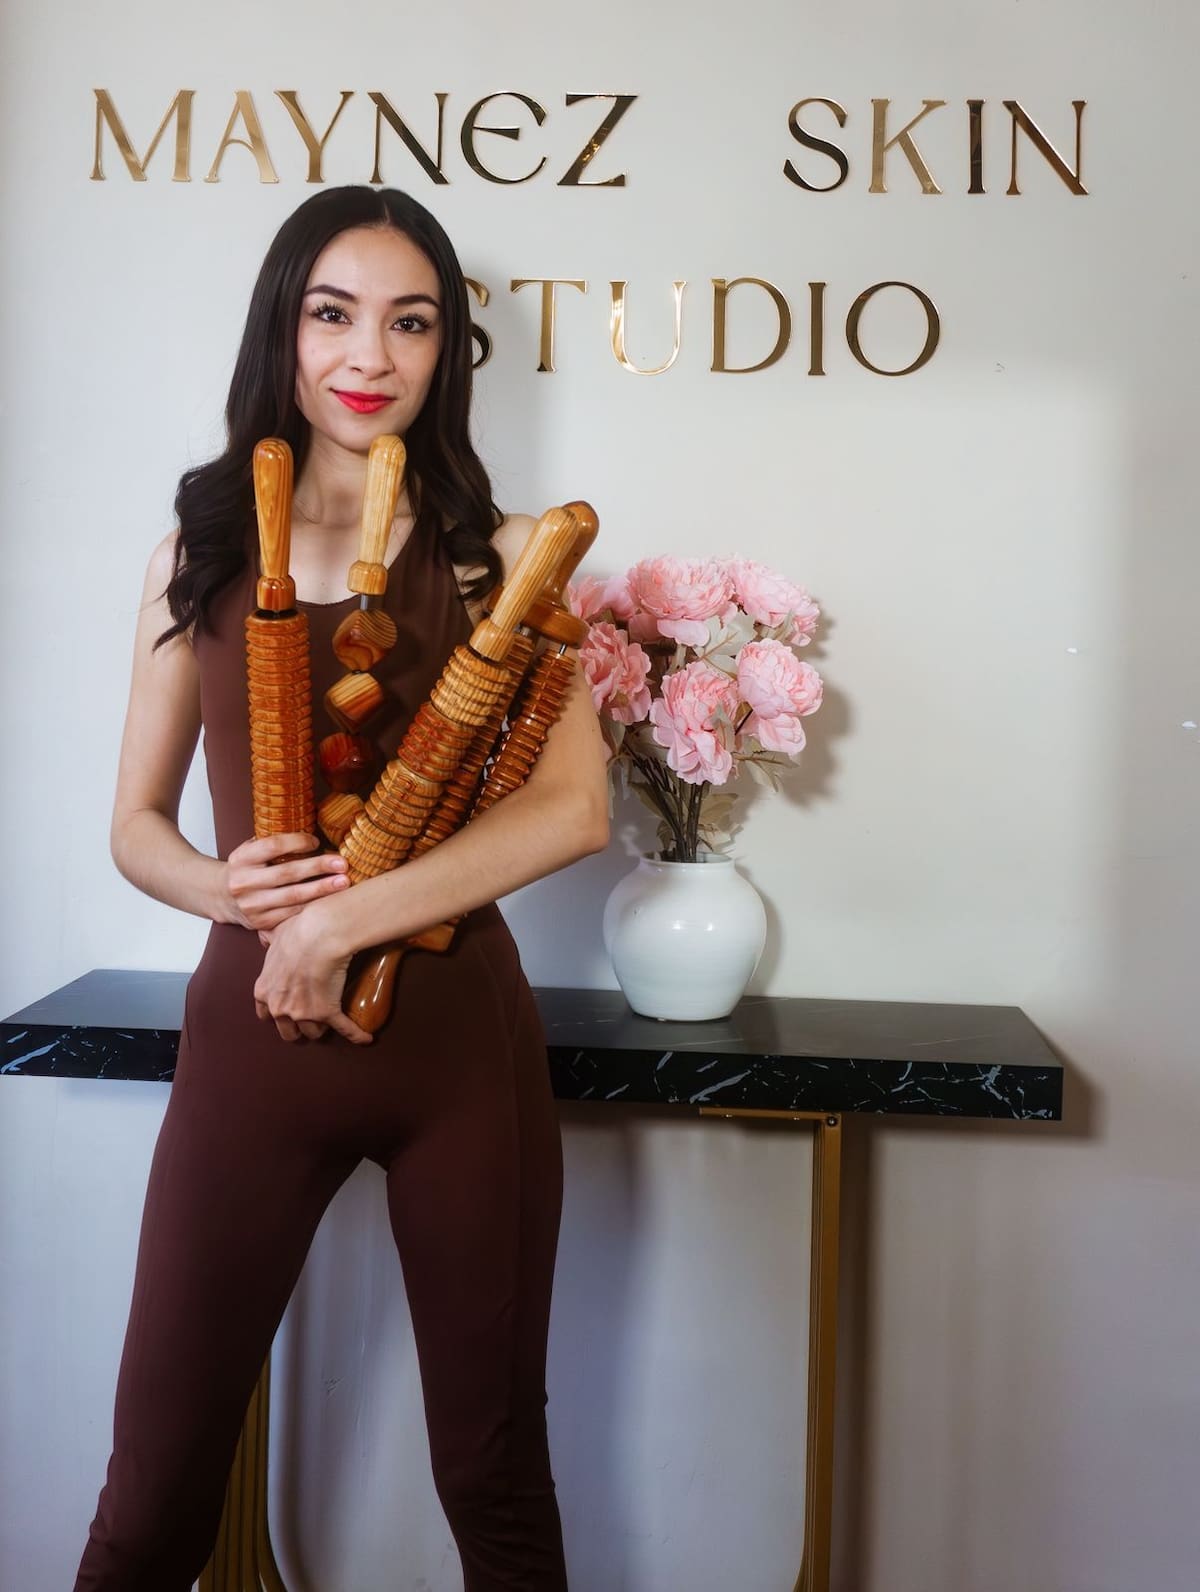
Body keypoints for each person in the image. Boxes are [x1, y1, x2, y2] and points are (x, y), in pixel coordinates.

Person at [75, 185, 609, 1592]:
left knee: (493, 1482)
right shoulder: (195, 554)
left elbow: (577, 807)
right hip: (253, 1051)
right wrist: (228, 892)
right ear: (284, 332)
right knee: (149, 1507)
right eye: (333, 313)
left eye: (411, 321)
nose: (369, 354)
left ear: (448, 355)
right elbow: (135, 827)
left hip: (458, 1057)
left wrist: (341, 924)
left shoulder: (503, 559)